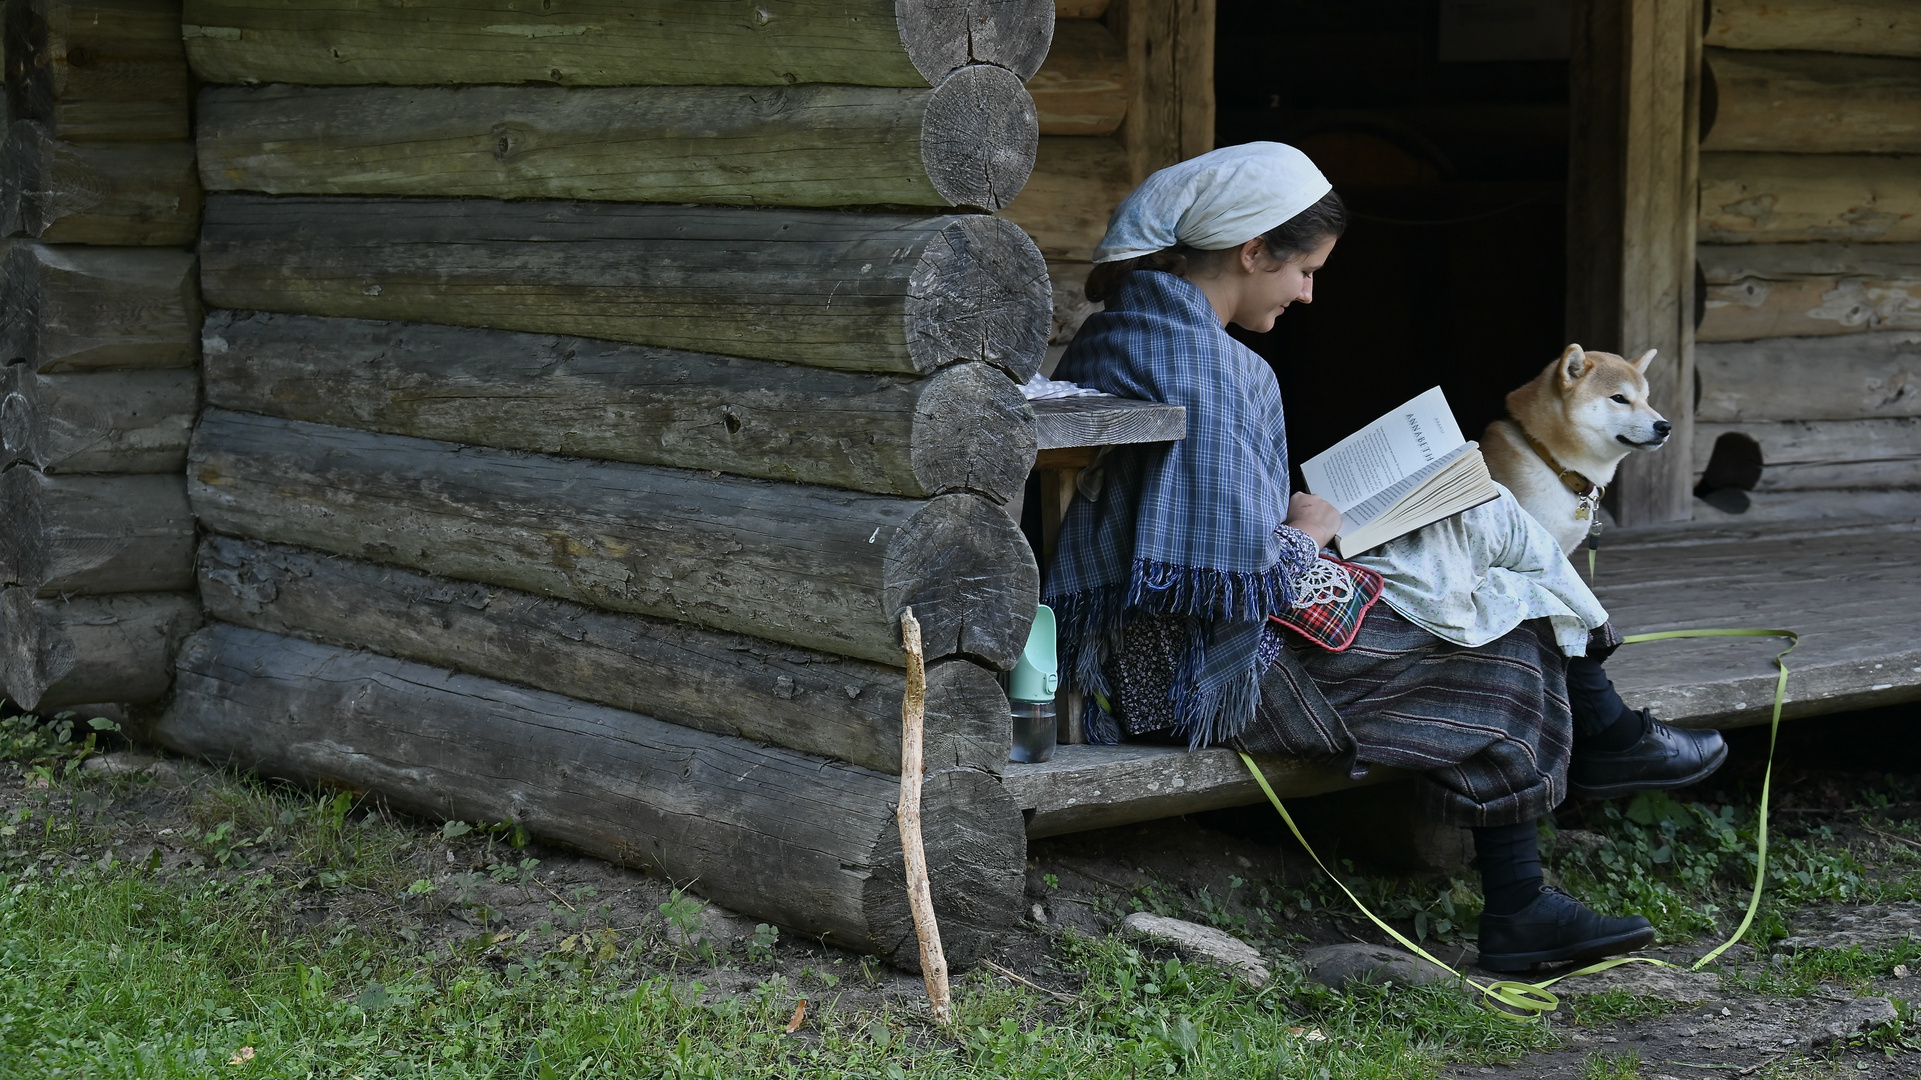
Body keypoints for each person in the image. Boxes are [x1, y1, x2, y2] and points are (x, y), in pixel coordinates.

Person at [1041, 142, 1726, 972]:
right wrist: (1309, 532)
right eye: (1303, 271)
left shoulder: (1129, 331)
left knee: (1481, 582)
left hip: (1150, 648)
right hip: (1187, 674)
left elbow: (1199, 533)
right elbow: (1232, 585)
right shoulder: (1210, 367)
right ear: (1253, 251)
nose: (1307, 291)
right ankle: (1525, 894)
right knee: (1502, 642)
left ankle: (1568, 815)